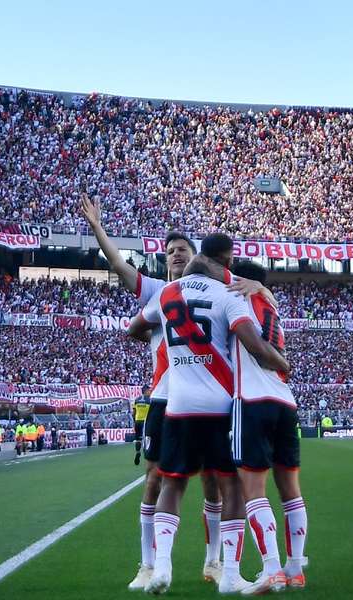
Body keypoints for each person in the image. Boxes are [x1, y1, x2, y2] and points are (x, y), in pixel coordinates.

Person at [82, 196, 234, 591]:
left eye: (182, 250)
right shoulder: (156, 291)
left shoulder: (207, 291)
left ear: (195, 256)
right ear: (164, 260)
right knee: (155, 479)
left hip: (197, 397)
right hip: (164, 398)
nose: (175, 256)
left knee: (212, 481)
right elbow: (119, 266)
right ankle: (148, 565)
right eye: (169, 252)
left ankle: (212, 561)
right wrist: (98, 227)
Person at [129, 232, 291, 594]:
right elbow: (256, 347)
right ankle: (230, 575)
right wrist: (284, 365)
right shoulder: (227, 295)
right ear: (225, 265)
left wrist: (173, 348)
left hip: (178, 405)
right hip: (220, 406)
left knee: (172, 483)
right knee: (229, 485)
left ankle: (162, 569)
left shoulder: (168, 294)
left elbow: (134, 328)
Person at [227, 261, 309, 592]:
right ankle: (295, 570)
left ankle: (272, 568)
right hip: (285, 402)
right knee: (291, 491)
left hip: (252, 399)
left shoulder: (237, 299)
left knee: (253, 491)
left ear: (242, 280)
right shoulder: (272, 306)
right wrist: (262, 288)